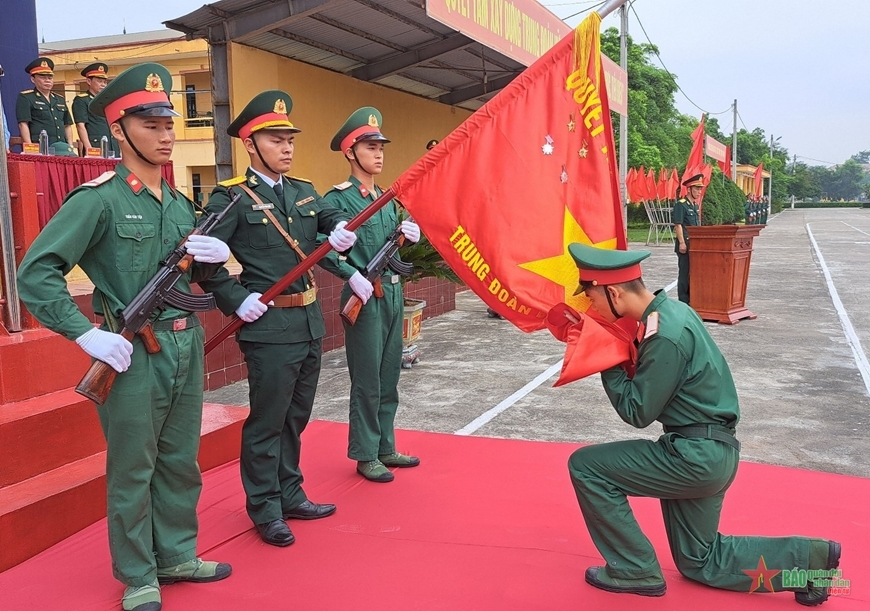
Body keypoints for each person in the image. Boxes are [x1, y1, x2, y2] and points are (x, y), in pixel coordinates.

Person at [17, 62, 232, 611]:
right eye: (151, 124)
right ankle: (139, 575)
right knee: (133, 466)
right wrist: (85, 336)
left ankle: (177, 554)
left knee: (181, 458)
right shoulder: (99, 198)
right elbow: (36, 273)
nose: (165, 135)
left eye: (168, 125)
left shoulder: (183, 203)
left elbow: (193, 279)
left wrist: (215, 262)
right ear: (118, 129)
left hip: (185, 344)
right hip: (130, 352)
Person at [560, 242, 841, 606]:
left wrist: (604, 357)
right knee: (699, 560)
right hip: (713, 452)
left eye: (592, 296)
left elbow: (637, 412)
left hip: (693, 457)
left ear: (613, 291)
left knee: (586, 467)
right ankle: (810, 562)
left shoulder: (665, 336)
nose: (590, 305)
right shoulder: (673, 312)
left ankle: (633, 569)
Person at [197, 90, 356, 547]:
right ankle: (265, 507)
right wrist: (236, 297)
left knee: (296, 417)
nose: (287, 147)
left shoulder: (304, 192)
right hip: (266, 328)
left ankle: (290, 493)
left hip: (308, 323)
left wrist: (340, 229)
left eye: (290, 139)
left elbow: (330, 219)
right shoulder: (231, 198)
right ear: (250, 144)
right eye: (275, 139)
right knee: (267, 420)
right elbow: (203, 262)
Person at [321, 107, 421, 483]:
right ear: (350, 152)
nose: (379, 153)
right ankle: (365, 453)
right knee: (367, 379)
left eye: (381, 146)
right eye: (370, 146)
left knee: (389, 375)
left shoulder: (386, 197)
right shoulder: (338, 200)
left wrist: (411, 234)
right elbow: (321, 245)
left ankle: (385, 446)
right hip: (364, 296)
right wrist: (350, 274)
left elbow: (397, 244)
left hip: (393, 293)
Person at [16, 57, 75, 150]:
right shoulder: (26, 97)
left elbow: (67, 125)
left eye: (50, 77)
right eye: (42, 77)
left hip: (62, 148)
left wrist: (70, 146)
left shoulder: (60, 99)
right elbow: (23, 124)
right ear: (33, 79)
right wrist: (30, 147)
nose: (47, 80)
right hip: (40, 148)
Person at [72, 62, 119, 156]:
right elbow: (81, 126)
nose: (103, 85)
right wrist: (89, 148)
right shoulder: (82, 100)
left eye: (105, 82)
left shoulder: (108, 101)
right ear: (89, 81)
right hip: (95, 146)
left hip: (112, 145)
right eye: (99, 81)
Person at [671, 173, 702, 304]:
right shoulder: (681, 205)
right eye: (697, 189)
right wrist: (682, 243)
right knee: (684, 273)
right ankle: (683, 300)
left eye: (700, 189)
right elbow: (678, 225)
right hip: (685, 245)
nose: (699, 192)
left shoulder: (694, 206)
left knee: (693, 273)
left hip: (695, 245)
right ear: (689, 189)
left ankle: (692, 298)